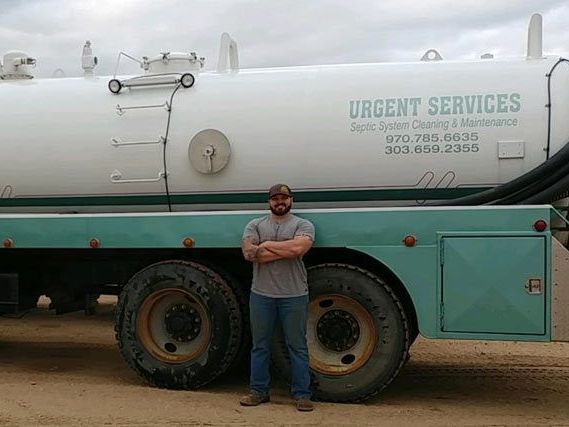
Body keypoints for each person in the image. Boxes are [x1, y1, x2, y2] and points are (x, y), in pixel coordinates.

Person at [239, 184, 315, 412]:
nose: (279, 202)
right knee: (260, 346)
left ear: (291, 200)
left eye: (284, 198)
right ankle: (258, 391)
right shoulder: (255, 224)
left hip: (294, 295)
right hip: (261, 295)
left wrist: (267, 245)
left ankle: (302, 395)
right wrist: (283, 250)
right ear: (269, 202)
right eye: (275, 199)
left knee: (297, 346)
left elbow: (298, 250)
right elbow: (249, 253)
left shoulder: (303, 224)